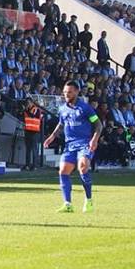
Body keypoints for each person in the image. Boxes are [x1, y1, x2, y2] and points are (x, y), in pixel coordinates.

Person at [43, 80, 102, 213]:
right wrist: (52, 136)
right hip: (70, 145)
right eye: (64, 92)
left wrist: (94, 140)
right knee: (63, 171)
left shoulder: (85, 108)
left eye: (69, 92)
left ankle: (88, 200)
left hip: (84, 144)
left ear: (76, 91)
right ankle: (68, 204)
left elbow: (98, 125)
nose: (66, 94)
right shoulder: (63, 108)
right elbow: (61, 124)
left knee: (82, 167)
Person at [22, 98, 43, 171]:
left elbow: (33, 116)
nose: (27, 104)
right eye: (26, 103)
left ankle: (35, 165)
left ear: (32, 102)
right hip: (27, 130)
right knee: (28, 149)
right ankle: (27, 164)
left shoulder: (36, 109)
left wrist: (25, 110)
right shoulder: (26, 110)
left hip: (34, 131)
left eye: (28, 102)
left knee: (34, 149)